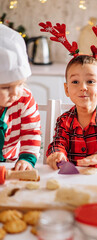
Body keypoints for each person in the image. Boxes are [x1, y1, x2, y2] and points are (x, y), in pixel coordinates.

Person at [39, 19, 97, 170]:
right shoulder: (64, 121)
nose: (83, 87)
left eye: (91, 81)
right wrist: (57, 154)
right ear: (66, 90)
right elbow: (58, 143)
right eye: (75, 82)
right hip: (72, 178)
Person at [0, 24, 41, 170]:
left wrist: (27, 159)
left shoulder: (24, 99)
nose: (15, 92)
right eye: (5, 87)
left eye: (20, 84)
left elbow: (31, 132)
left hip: (11, 163)